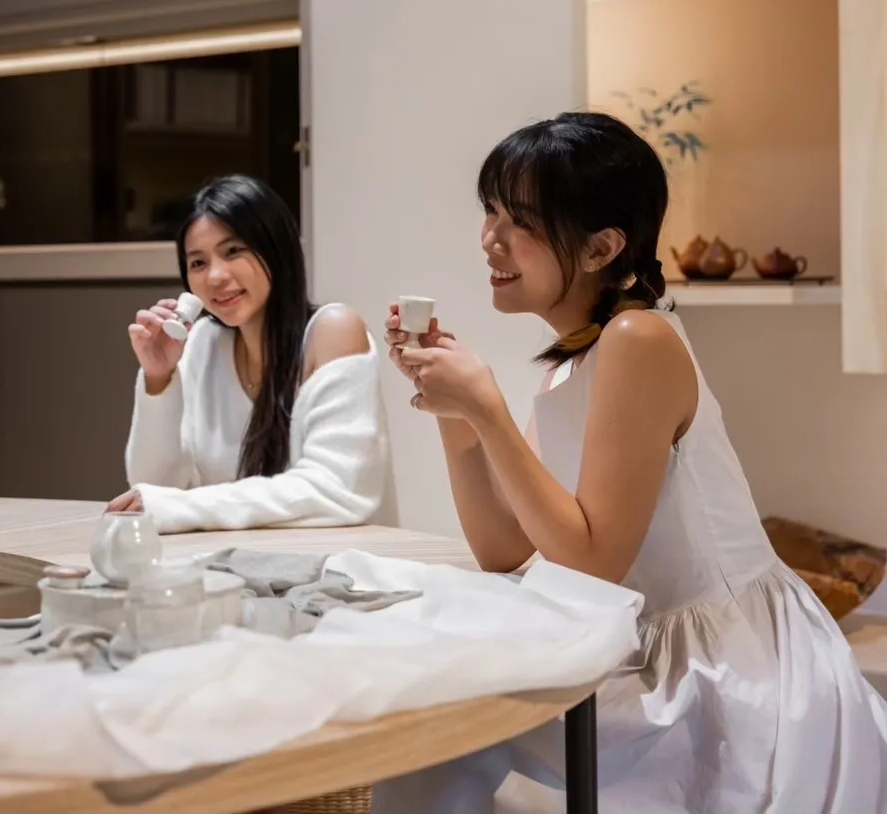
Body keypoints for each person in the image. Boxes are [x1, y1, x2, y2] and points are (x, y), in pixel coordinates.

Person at [377, 112, 887, 812]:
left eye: (520, 221)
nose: (490, 238)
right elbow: (503, 547)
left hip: (721, 672)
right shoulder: (576, 356)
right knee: (440, 731)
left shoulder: (637, 339)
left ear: (600, 247)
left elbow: (592, 560)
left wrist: (488, 407)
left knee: (455, 742)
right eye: (490, 210)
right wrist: (458, 416)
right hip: (647, 648)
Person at [111, 174, 390, 533]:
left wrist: (186, 507)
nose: (214, 276)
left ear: (275, 249)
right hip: (238, 571)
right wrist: (158, 377)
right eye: (197, 263)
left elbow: (338, 489)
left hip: (340, 573)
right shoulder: (203, 344)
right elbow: (156, 491)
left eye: (233, 252)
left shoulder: (332, 331)